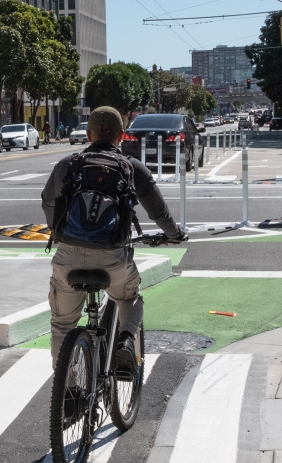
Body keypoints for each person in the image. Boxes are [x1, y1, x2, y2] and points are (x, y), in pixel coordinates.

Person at [41, 107, 186, 368]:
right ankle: (126, 341)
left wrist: (59, 231)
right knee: (129, 299)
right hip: (112, 257)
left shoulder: (68, 165)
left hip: (68, 255)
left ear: (88, 134)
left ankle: (68, 393)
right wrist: (175, 234)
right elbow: (159, 212)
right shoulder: (132, 168)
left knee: (63, 322)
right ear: (121, 135)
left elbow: (48, 200)